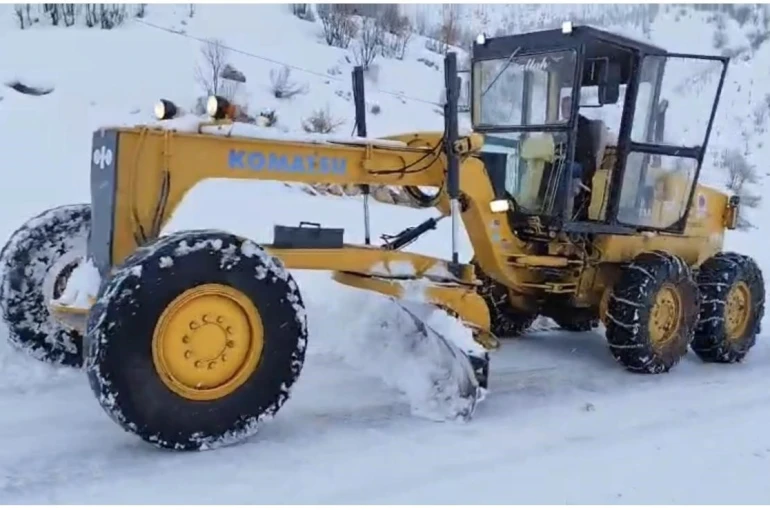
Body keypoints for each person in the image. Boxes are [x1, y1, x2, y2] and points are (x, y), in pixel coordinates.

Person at [560, 95, 597, 220]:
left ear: (575, 109)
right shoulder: (564, 125)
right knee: (548, 167)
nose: (564, 110)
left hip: (583, 165)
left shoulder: (582, 125)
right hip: (569, 161)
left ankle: (562, 210)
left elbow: (581, 149)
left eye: (568, 107)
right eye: (563, 107)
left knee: (564, 169)